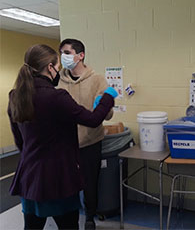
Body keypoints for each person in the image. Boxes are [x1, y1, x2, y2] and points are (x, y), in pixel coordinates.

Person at [7, 44, 117, 229]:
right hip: (58, 178)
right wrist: (107, 98)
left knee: (31, 226)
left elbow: (20, 142)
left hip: (29, 176)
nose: (59, 69)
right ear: (50, 67)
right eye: (57, 65)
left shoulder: (15, 96)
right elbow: (92, 120)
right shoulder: (56, 97)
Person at [57, 39, 113, 229]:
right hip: (65, 144)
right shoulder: (57, 81)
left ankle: (90, 217)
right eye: (61, 53)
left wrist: (103, 107)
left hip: (90, 141)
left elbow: (108, 112)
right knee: (66, 183)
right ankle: (69, 216)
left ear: (80, 55)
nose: (63, 57)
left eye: (67, 52)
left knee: (90, 184)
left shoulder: (97, 79)